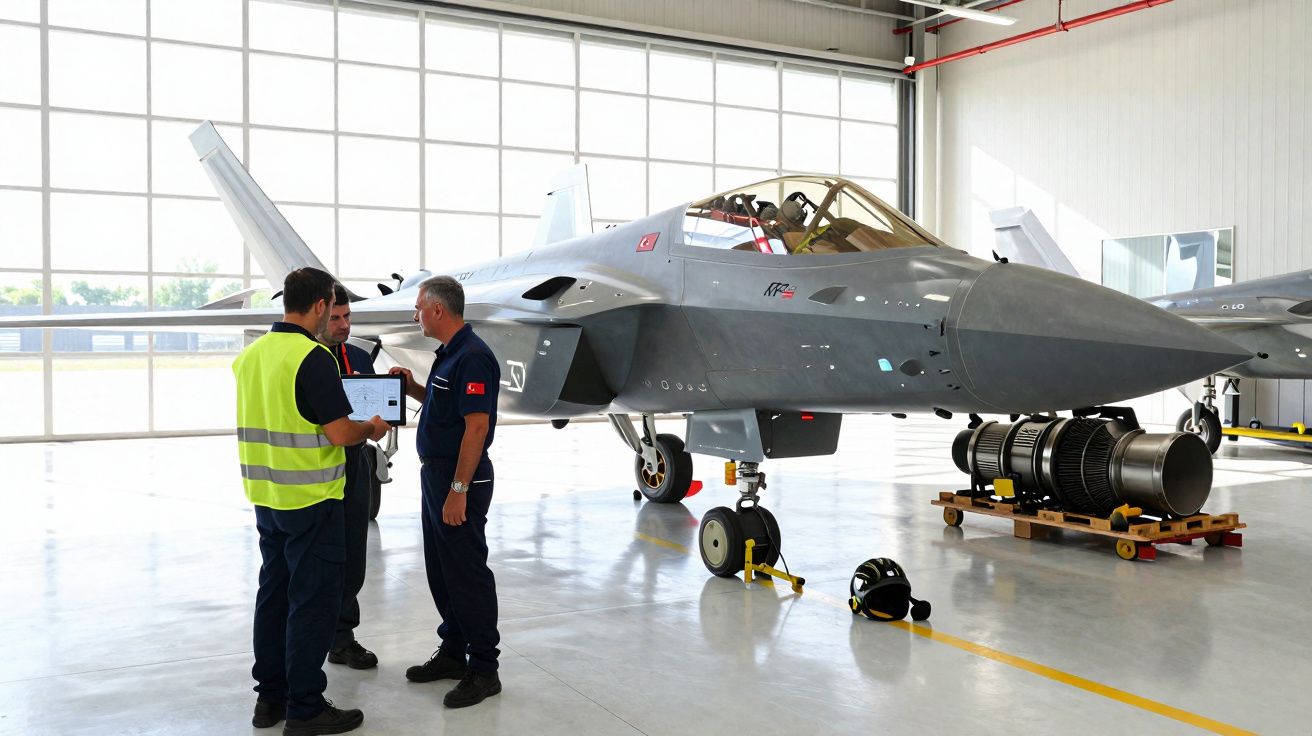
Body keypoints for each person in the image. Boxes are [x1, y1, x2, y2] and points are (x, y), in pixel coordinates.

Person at [235, 267, 388, 735]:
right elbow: (341, 432)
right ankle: (305, 707)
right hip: (312, 498)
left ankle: (271, 700)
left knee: (274, 596)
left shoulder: (252, 355)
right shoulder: (312, 357)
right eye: (332, 309)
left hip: (267, 496)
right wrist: (373, 428)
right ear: (321, 305)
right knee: (313, 602)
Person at [389, 275, 503, 709]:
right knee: (441, 570)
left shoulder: (473, 358)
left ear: (438, 310)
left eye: (418, 307)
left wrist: (458, 490)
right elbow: (446, 408)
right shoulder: (449, 355)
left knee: (467, 573)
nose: (415, 314)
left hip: (461, 479)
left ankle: (484, 669)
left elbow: (477, 427)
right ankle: (454, 652)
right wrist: (411, 386)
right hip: (436, 476)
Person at [320, 283, 380, 671]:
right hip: (316, 470)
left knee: (353, 555)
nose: (344, 325)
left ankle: (342, 638)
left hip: (355, 465)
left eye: (348, 317)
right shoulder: (305, 360)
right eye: (336, 318)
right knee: (316, 562)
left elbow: (372, 407)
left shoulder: (358, 357)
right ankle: (311, 639)